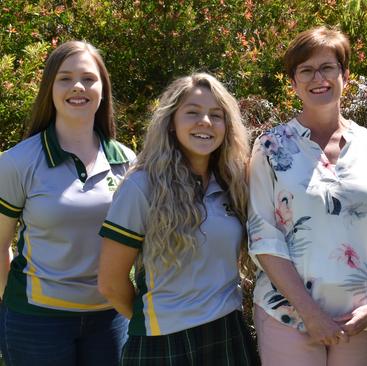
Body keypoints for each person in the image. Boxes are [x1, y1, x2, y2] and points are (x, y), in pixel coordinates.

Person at [247, 26, 367, 365]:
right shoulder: (270, 148)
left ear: (345, 74)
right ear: (293, 82)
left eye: (327, 67)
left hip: (358, 318)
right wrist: (310, 314)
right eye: (306, 70)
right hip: (287, 315)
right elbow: (263, 236)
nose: (318, 77)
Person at [97, 73, 259, 366]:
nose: (205, 122)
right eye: (193, 113)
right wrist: (155, 317)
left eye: (216, 115)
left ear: (228, 126)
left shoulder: (234, 183)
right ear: (171, 123)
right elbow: (110, 283)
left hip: (227, 332)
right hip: (163, 341)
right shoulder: (141, 186)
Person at [0, 40, 134, 366]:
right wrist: (12, 303)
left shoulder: (128, 162)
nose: (78, 86)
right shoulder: (18, 162)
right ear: (50, 88)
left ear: (103, 89)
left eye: (89, 78)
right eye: (65, 78)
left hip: (110, 318)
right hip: (37, 322)